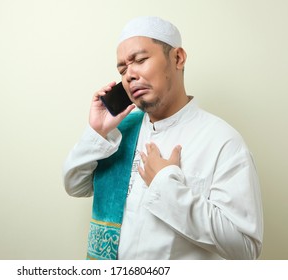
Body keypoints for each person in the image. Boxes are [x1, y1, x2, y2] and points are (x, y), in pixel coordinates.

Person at [62, 16, 263, 260]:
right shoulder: (120, 133)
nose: (129, 75)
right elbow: (75, 185)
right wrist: (98, 132)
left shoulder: (223, 141)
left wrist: (166, 186)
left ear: (178, 58)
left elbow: (245, 248)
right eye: (123, 70)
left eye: (140, 60)